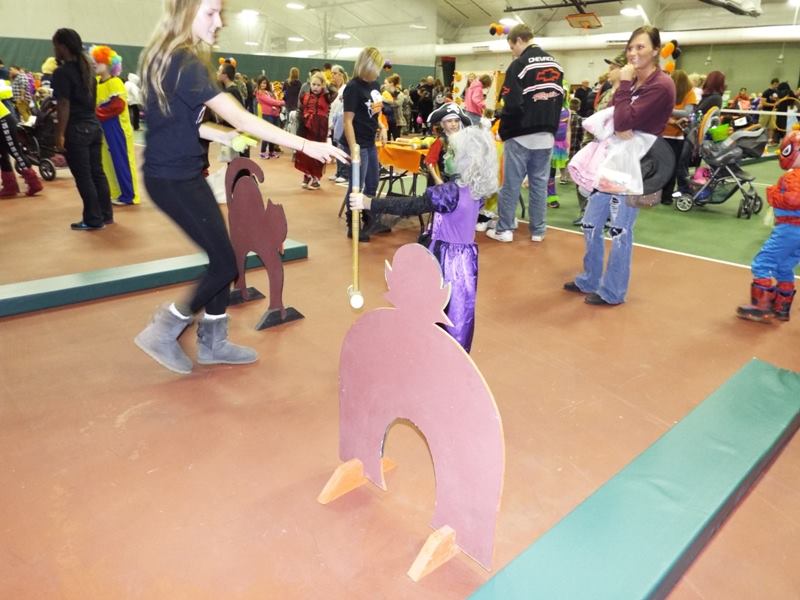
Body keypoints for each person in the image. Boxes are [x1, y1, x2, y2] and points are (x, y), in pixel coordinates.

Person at [134, 0, 347, 375]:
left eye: (219, 13)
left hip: (179, 174)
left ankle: (213, 341)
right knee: (224, 262)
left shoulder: (166, 55)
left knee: (224, 257)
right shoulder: (183, 61)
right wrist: (305, 144)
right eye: (210, 13)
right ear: (186, 10)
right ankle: (165, 329)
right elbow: (243, 116)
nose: (219, 22)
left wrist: (222, 135)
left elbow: (182, 120)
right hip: (172, 179)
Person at [349, 125, 499, 352]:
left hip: (443, 259)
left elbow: (412, 205)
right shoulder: (475, 190)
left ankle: (429, 351)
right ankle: (451, 352)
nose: (445, 157)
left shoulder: (449, 193)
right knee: (458, 309)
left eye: (451, 154)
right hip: (465, 261)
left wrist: (368, 202)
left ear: (466, 160)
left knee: (431, 306)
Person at [564, 25, 675, 306]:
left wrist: (623, 86)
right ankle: (590, 278)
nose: (633, 53)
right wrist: (623, 91)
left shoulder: (661, 85)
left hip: (634, 162)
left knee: (620, 229)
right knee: (591, 222)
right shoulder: (635, 82)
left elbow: (623, 121)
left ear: (655, 50)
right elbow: (617, 117)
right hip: (614, 157)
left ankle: (613, 291)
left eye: (640, 47)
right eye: (630, 47)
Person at [487, 23, 563, 244]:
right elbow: (560, 100)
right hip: (547, 134)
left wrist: (504, 130)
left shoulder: (519, 65)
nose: (513, 52)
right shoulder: (556, 64)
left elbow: (511, 103)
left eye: (512, 47)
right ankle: (538, 230)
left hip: (521, 133)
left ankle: (505, 229)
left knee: (511, 184)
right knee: (539, 185)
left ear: (519, 40)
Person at [52, 28, 114, 230]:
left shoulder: (62, 73)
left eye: (55, 46)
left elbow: (64, 105)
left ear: (63, 47)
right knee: (97, 173)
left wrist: (60, 134)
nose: (55, 50)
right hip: (93, 127)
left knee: (84, 176)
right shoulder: (88, 71)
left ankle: (93, 219)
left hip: (77, 129)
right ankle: (106, 215)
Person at [736, 129, 800, 323]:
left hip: (789, 229)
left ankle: (761, 306)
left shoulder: (793, 176)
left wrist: (773, 194)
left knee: (762, 263)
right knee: (784, 266)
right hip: (795, 231)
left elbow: (794, 199)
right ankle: (782, 308)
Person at [342, 46, 388, 243]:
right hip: (358, 142)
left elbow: (376, 112)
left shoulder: (375, 85)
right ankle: (352, 224)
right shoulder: (353, 88)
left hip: (370, 141)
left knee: (372, 183)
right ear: (367, 66)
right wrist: (354, 149)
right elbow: (347, 121)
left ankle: (370, 218)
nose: (379, 72)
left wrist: (382, 126)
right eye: (377, 68)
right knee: (356, 185)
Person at [91, 45, 140, 206]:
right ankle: (115, 192)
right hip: (103, 127)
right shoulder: (96, 82)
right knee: (107, 162)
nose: (94, 64)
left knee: (122, 161)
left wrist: (96, 112)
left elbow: (117, 106)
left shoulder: (116, 82)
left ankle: (129, 195)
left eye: (98, 61)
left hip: (117, 127)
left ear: (108, 64)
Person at [0, 77, 44, 197]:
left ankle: (34, 183)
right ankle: (9, 186)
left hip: (3, 121)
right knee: (2, 156)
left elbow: (6, 92)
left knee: (15, 152)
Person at [660, 69, 697, 205]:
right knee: (672, 167)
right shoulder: (690, 93)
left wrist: (668, 110)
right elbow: (687, 112)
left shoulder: (667, 90)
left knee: (661, 166)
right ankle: (666, 197)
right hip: (676, 136)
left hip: (663, 134)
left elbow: (661, 109)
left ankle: (657, 194)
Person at [295, 72, 333, 189]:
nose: (315, 87)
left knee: (318, 152)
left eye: (318, 85)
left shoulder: (327, 96)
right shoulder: (305, 96)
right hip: (307, 127)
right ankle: (307, 175)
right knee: (306, 152)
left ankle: (316, 178)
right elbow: (300, 110)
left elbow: (335, 91)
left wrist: (327, 85)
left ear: (323, 85)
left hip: (320, 129)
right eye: (313, 84)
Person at [254, 76, 284, 158]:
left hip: (275, 115)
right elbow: (270, 101)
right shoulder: (259, 93)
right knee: (267, 134)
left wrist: (279, 99)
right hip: (267, 115)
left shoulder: (268, 92)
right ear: (259, 84)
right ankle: (263, 152)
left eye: (265, 83)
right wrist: (281, 102)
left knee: (274, 134)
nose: (263, 85)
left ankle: (271, 151)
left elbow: (274, 99)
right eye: (262, 83)